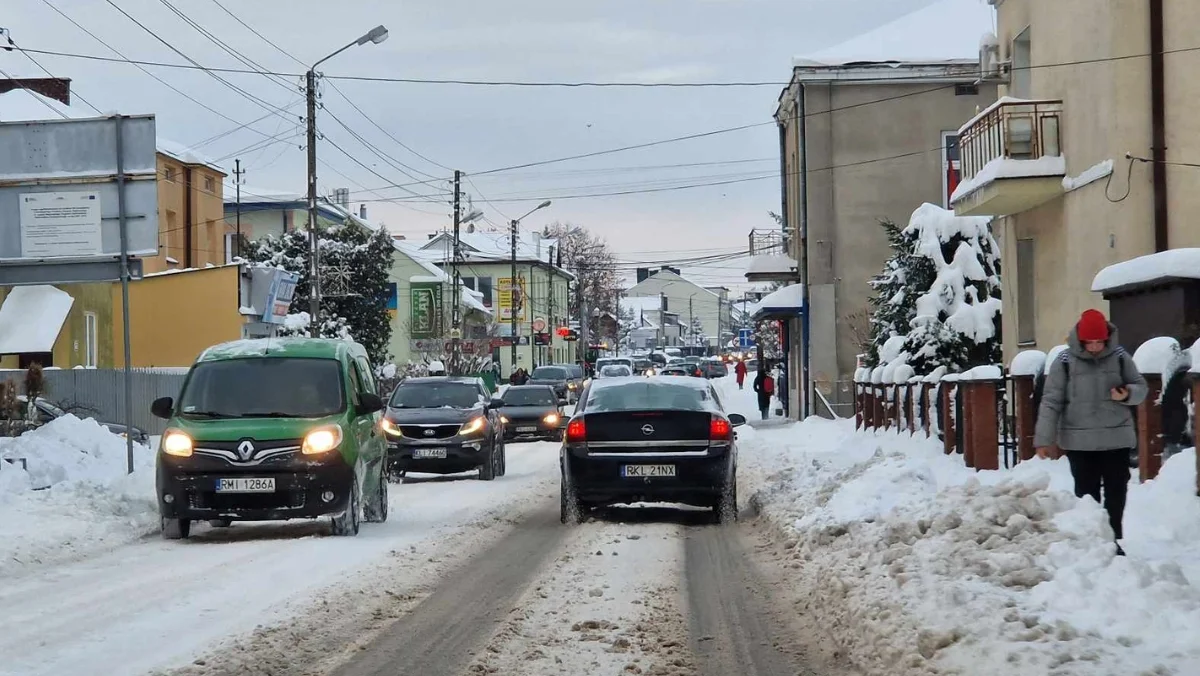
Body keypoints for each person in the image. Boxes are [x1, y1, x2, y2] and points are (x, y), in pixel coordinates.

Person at [1035, 309, 1147, 556]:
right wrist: (1044, 439)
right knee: (1087, 494)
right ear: (1080, 339)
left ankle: (1113, 540)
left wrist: (1127, 393)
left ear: (1107, 338)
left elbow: (1141, 387)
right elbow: (1051, 400)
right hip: (1079, 441)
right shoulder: (1064, 362)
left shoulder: (1120, 357)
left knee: (1117, 491)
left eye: (1100, 342)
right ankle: (1093, 542)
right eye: (1090, 342)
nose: (1096, 347)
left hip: (1115, 438)